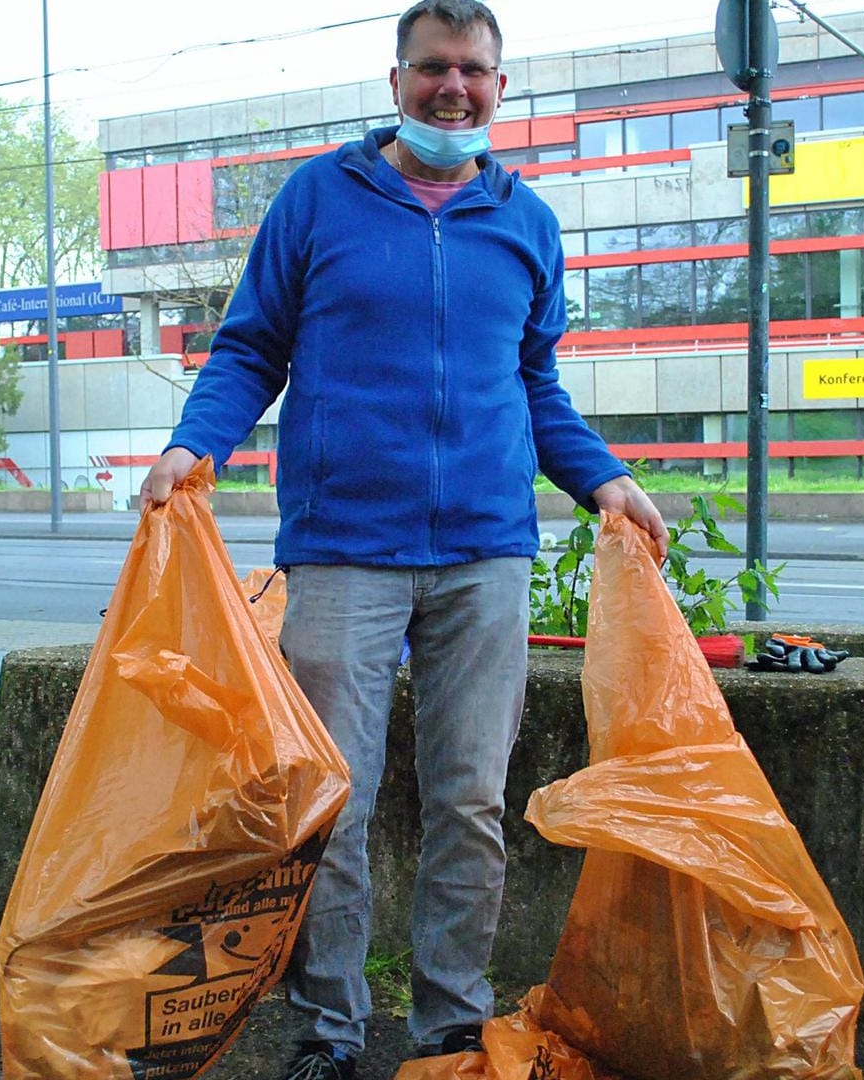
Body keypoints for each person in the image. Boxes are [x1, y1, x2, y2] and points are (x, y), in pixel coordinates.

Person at [139, 2, 663, 1076]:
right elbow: (249, 351)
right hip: (342, 551)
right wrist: (193, 448)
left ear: (501, 87)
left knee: (469, 802)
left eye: (475, 70)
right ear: (396, 81)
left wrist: (605, 480)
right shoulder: (319, 200)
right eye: (435, 68)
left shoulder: (527, 223)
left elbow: (535, 382)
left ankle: (452, 1025)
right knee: (333, 802)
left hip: (485, 555)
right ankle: (328, 1031)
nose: (454, 88)